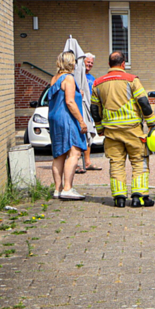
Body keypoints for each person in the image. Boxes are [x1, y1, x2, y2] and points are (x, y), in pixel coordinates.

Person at [91, 52, 155, 208]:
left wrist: (99, 128)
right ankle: (139, 197)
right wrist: (152, 125)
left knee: (116, 163)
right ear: (123, 64)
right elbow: (144, 103)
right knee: (139, 162)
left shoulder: (98, 83)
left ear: (110, 64)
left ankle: (119, 198)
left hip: (111, 132)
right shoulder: (132, 80)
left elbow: (94, 110)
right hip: (133, 131)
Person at [47, 52, 88, 201]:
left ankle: (57, 189)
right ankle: (67, 188)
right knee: (74, 152)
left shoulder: (54, 78)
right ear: (71, 63)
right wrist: (81, 122)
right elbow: (70, 102)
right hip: (67, 118)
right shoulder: (69, 78)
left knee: (59, 154)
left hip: (54, 117)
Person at [79, 53, 102, 174]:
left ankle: (87, 162)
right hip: (78, 111)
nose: (89, 65)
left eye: (91, 63)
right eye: (88, 62)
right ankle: (75, 163)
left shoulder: (92, 79)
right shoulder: (76, 77)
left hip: (89, 111)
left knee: (88, 137)